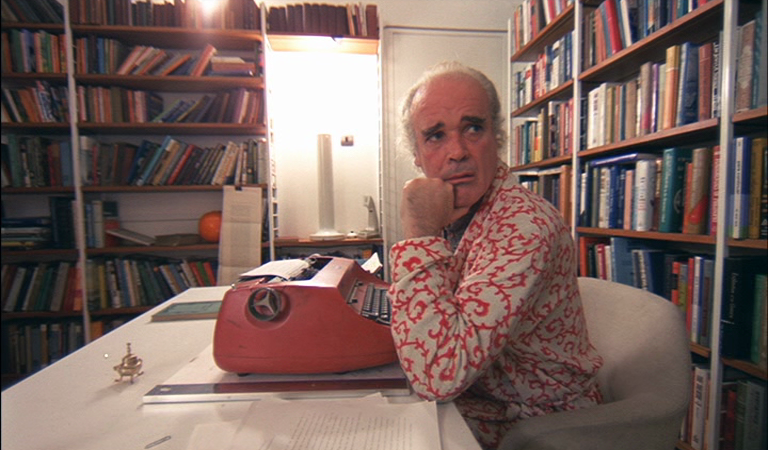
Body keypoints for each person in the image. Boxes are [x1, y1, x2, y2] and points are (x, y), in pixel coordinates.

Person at [388, 61, 603, 450]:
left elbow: (438, 375)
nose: (457, 152)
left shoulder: (523, 225)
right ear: (417, 156)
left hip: (539, 427)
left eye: (473, 128)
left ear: (497, 137)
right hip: (479, 403)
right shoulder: (458, 212)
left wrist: (419, 233)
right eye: (435, 136)